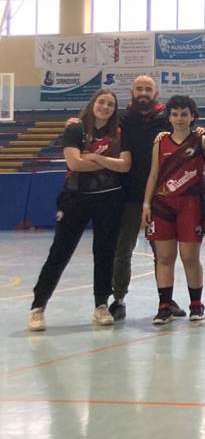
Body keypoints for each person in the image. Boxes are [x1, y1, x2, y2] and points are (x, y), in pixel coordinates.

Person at [28, 90, 132, 331]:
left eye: (110, 104)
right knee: (60, 252)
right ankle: (38, 307)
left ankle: (101, 305)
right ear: (93, 103)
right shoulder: (75, 128)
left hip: (109, 199)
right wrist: (108, 163)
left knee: (105, 253)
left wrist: (94, 157)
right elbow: (73, 163)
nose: (105, 107)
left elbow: (125, 165)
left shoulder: (118, 132)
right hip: (75, 199)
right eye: (102, 102)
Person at [142, 95, 205, 324]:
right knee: (164, 257)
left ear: (192, 116)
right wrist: (146, 203)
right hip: (162, 204)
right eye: (175, 114)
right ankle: (164, 305)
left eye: (184, 114)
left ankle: (196, 304)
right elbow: (153, 174)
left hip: (190, 205)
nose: (180, 118)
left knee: (189, 257)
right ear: (169, 117)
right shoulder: (160, 142)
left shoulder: (200, 140)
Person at [110, 75, 170, 321]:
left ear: (156, 93)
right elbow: (94, 122)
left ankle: (165, 300)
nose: (143, 92)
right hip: (128, 196)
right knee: (123, 250)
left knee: (163, 253)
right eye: (139, 89)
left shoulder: (166, 118)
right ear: (132, 92)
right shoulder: (122, 119)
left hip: (161, 195)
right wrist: (76, 121)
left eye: (148, 89)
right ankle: (119, 298)